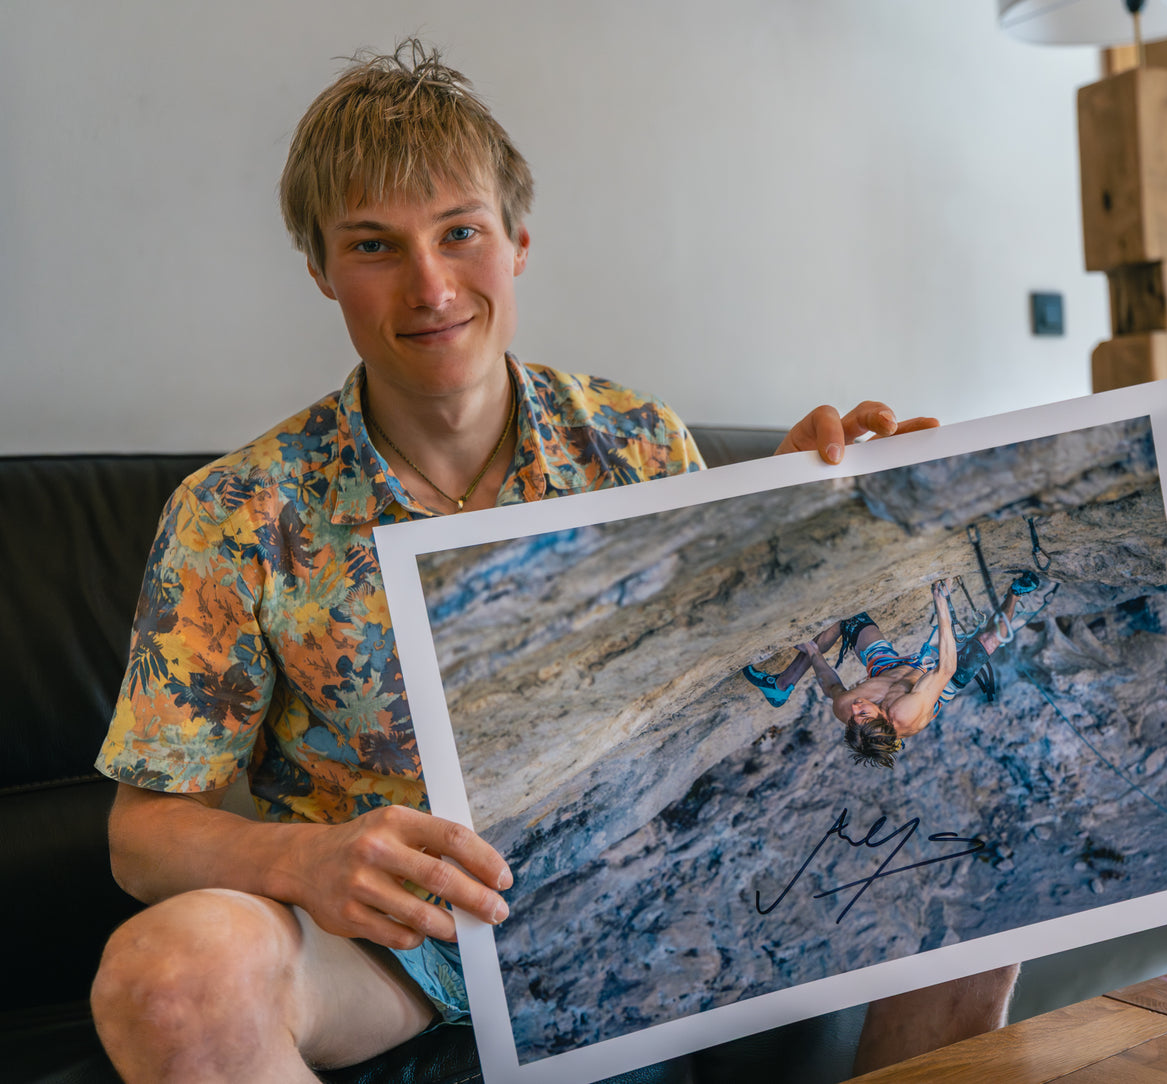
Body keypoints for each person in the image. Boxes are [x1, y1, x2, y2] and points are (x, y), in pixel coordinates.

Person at [87, 41, 1015, 1082]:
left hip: (648, 873)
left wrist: (808, 519)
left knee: (982, 822)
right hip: (399, 942)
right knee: (165, 974)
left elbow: (751, 679)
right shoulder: (236, 511)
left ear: (517, 241)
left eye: (459, 233)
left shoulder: (639, 444)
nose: (430, 286)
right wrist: (297, 858)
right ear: (319, 268)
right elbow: (141, 831)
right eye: (374, 246)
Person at [745, 573, 1039, 767]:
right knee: (992, 638)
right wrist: (942, 603)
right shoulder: (907, 713)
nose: (857, 707)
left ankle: (782, 685)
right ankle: (1015, 594)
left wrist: (812, 651)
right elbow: (946, 667)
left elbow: (829, 684)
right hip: (938, 681)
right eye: (864, 714)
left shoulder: (847, 711)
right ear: (884, 718)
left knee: (842, 620)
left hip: (886, 669)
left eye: (854, 718)